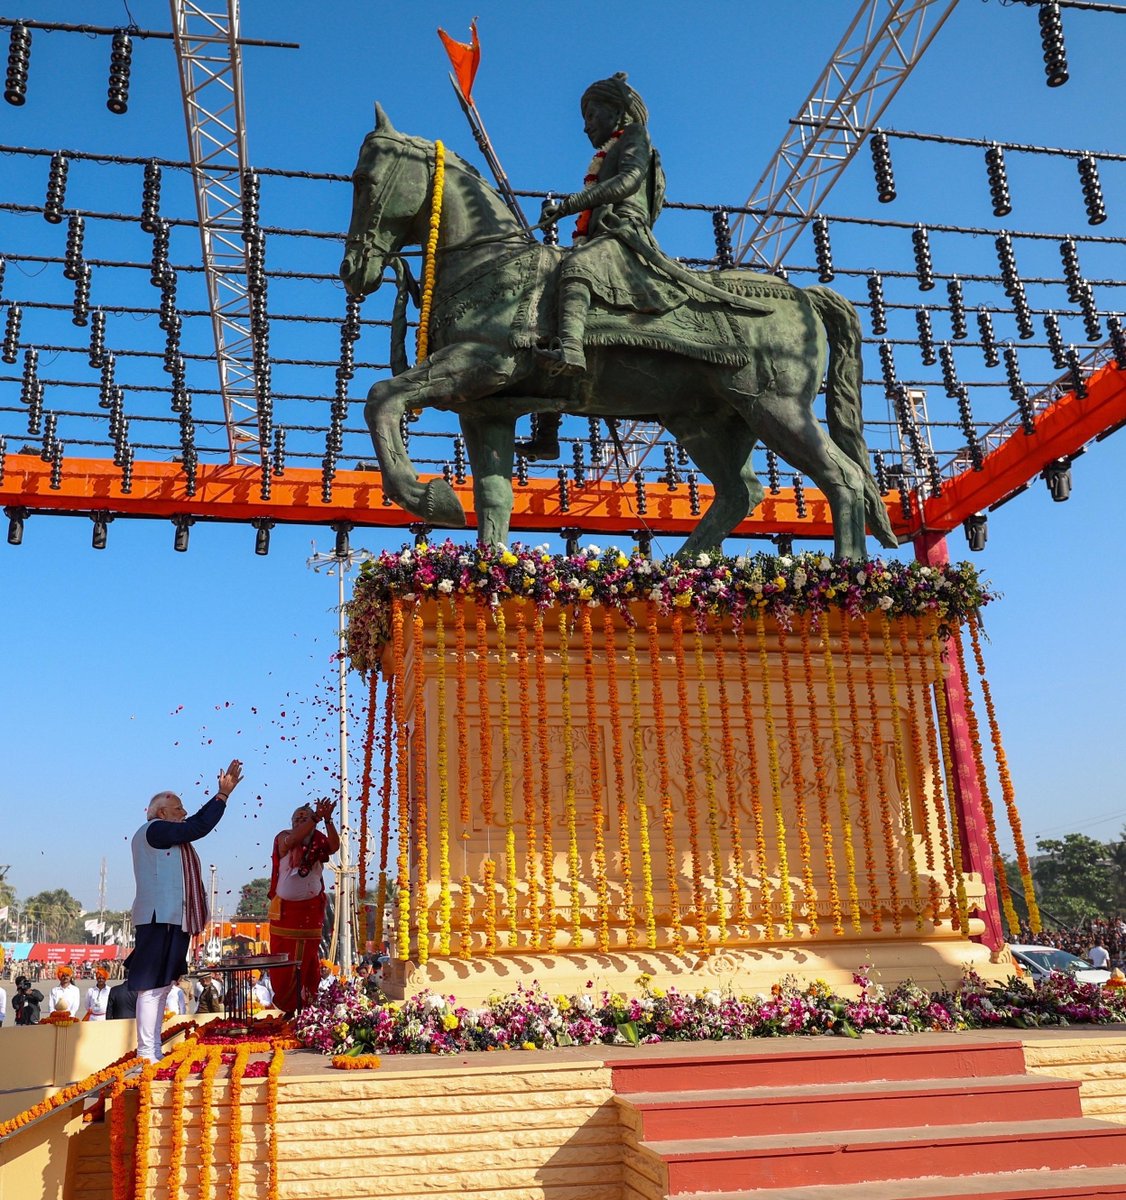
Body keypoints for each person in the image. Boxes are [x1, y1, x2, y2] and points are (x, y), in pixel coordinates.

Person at [529, 74, 668, 400]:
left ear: (617, 111)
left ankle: (573, 353)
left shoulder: (635, 136)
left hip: (623, 235)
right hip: (600, 237)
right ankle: (548, 424)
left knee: (577, 266)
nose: (585, 126)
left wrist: (571, 204)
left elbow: (628, 181)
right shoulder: (611, 149)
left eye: (591, 115)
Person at [126, 758, 243, 1061]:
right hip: (158, 917)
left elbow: (194, 825)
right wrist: (222, 796)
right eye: (179, 808)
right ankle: (144, 1054)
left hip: (173, 918)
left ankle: (151, 1051)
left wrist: (221, 796)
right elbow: (198, 827)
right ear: (162, 813)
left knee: (164, 985)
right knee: (151, 987)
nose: (184, 812)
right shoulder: (155, 830)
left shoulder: (169, 835)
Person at [267, 798, 339, 1016]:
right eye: (297, 817)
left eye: (304, 817)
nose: (300, 820)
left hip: (311, 911)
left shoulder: (318, 838)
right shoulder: (284, 837)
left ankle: (307, 1005)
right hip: (287, 914)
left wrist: (327, 820)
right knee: (285, 961)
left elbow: (334, 846)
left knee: (309, 960)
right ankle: (288, 1005)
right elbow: (293, 840)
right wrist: (314, 818)